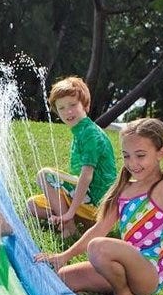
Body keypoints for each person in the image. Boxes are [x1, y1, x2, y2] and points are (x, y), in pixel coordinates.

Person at [35, 92, 163, 295]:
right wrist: (64, 256)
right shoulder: (124, 191)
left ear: (160, 153)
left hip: (147, 274)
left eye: (140, 155)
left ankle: (122, 292)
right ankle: (114, 283)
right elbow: (100, 228)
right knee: (62, 279)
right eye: (127, 155)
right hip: (118, 266)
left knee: (98, 247)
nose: (133, 163)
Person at [27, 76, 117, 238]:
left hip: (98, 201)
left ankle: (69, 226)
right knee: (32, 205)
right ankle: (79, 220)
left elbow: (86, 177)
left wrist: (69, 213)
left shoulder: (90, 133)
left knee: (45, 175)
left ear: (86, 105)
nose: (67, 111)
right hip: (86, 201)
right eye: (61, 108)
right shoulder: (79, 132)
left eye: (73, 105)